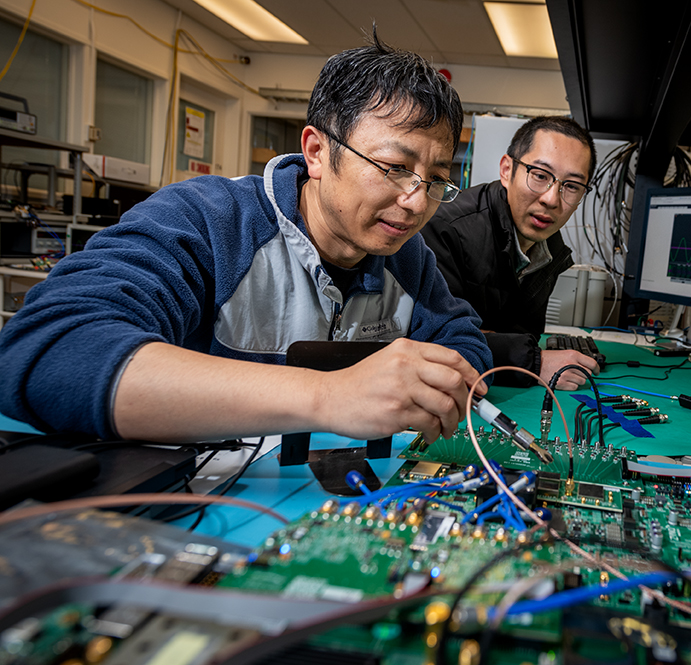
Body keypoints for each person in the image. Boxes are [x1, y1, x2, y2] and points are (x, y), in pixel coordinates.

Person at [0, 33, 492, 446]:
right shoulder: (210, 221)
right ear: (317, 152)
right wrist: (330, 396)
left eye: (434, 180)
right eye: (395, 168)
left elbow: (462, 339)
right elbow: (50, 349)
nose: (414, 201)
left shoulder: (404, 256)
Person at [421, 115, 598, 390]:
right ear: (507, 170)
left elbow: (518, 332)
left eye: (571, 186)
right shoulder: (446, 229)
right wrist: (535, 362)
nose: (551, 199)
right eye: (539, 176)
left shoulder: (548, 245)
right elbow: (437, 340)